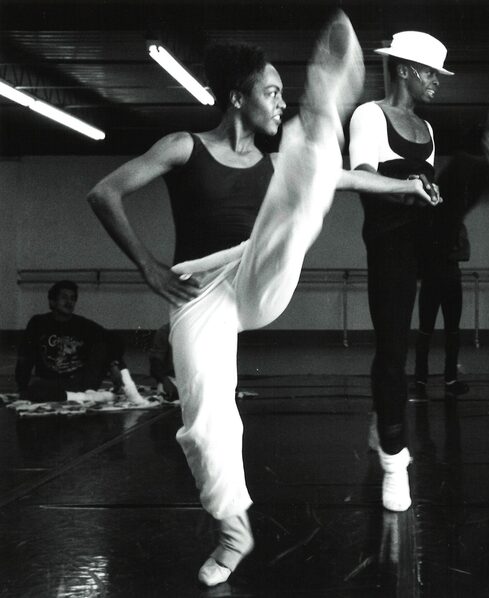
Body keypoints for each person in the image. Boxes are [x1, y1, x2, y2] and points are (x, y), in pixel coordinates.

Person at [87, 14, 429, 587]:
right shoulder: (183, 146)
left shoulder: (272, 164)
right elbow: (104, 193)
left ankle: (318, 129)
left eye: (283, 95)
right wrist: (148, 267)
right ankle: (232, 529)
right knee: (203, 417)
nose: (276, 103)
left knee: (297, 199)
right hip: (199, 292)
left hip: (258, 271)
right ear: (236, 97)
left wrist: (405, 184)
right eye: (271, 93)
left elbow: (344, 181)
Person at [348, 31, 453, 512]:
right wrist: (408, 186)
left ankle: (381, 416)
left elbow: (420, 187)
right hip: (389, 245)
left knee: (408, 343)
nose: (436, 82)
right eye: (430, 72)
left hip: (422, 241)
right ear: (406, 69)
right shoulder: (370, 116)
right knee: (393, 350)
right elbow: (363, 180)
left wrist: (427, 191)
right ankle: (394, 462)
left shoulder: (428, 129)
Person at [414, 106, 489, 397]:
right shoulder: (463, 167)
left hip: (444, 265)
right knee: (434, 327)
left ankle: (436, 381)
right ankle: (428, 381)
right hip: (438, 264)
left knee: (443, 327)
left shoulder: (466, 171)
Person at [15, 280, 143, 403]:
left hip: (81, 382)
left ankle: (129, 390)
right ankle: (88, 397)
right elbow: (25, 356)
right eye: (64, 297)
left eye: (72, 298)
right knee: (35, 389)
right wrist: (22, 387)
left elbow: (115, 339)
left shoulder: (83, 324)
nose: (69, 302)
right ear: (52, 301)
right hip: (51, 381)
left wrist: (113, 364)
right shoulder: (38, 323)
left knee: (105, 343)